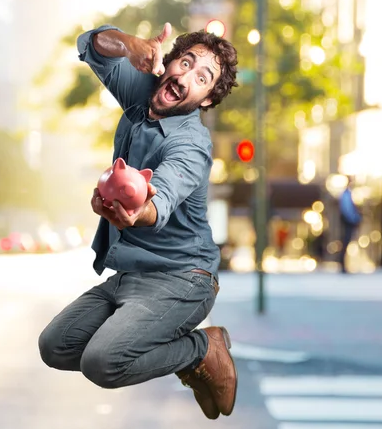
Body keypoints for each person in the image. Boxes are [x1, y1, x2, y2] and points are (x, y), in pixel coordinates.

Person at [38, 22, 240, 420]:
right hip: (133, 274)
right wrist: (128, 45)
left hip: (184, 278)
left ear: (206, 100)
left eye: (203, 78)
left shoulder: (191, 145)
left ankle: (203, 350)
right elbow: (93, 46)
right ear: (168, 63)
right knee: (56, 345)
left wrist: (133, 213)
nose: (185, 78)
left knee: (103, 361)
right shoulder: (143, 93)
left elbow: (157, 204)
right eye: (185, 62)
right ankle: (190, 351)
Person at [338, 178, 362, 273]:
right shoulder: (346, 195)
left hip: (348, 221)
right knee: (345, 242)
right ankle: (342, 265)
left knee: (346, 243)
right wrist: (355, 219)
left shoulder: (347, 194)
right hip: (348, 222)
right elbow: (347, 210)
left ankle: (343, 265)